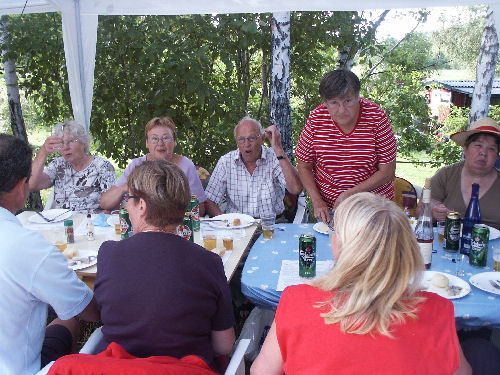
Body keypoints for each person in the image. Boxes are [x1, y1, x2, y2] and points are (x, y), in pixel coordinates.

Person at [251, 192, 471, 375]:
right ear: (408, 250)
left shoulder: (297, 301)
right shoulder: (439, 310)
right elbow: (462, 371)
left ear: (339, 246)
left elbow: (261, 372)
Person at [94, 160, 235, 371]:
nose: (126, 206)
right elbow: (224, 345)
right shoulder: (209, 262)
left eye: (128, 200)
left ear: (141, 205)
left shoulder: (109, 254)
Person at [0, 134, 100, 375]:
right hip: (19, 369)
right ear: (21, 186)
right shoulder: (27, 247)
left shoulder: (100, 166)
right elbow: (88, 310)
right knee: (70, 320)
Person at [295, 69, 397, 223]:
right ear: (325, 102)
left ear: (357, 97)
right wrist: (317, 201)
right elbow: (304, 165)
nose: (341, 110)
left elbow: (387, 172)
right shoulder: (316, 119)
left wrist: (351, 193)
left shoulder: (376, 116)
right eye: (334, 103)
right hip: (330, 209)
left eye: (347, 101)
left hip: (374, 207)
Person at [100, 116, 207, 215]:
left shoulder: (186, 166)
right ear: (147, 143)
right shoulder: (136, 165)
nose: (160, 143)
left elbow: (200, 208)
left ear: (174, 142)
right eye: (154, 138)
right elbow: (105, 204)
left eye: (166, 138)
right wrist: (128, 186)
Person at [205, 117, 302, 218]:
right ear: (237, 142)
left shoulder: (274, 157)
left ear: (262, 139)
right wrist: (225, 221)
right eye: (241, 139)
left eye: (252, 138)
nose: (246, 144)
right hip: (237, 226)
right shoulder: (226, 162)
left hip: (271, 224)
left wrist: (278, 149)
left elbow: (296, 189)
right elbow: (209, 200)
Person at [29, 120, 116, 213]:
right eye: (62, 143)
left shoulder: (102, 166)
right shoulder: (58, 165)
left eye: (70, 141)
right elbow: (32, 184)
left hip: (91, 224)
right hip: (62, 223)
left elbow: (113, 206)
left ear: (84, 143)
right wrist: (43, 152)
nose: (65, 147)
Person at [431, 117, 500, 229]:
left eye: (491, 149)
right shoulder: (446, 175)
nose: (483, 153)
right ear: (465, 148)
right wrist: (433, 210)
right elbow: (422, 210)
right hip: (447, 243)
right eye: (478, 145)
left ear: (497, 155)